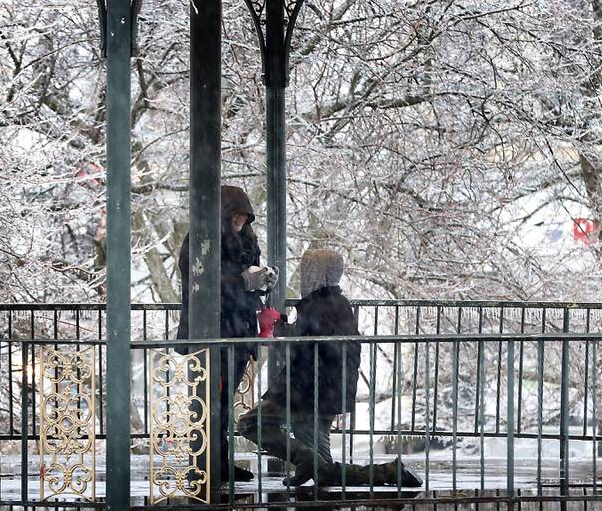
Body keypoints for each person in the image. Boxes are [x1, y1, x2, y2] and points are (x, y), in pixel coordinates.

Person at [238, 249, 421, 487]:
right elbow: (316, 343)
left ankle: (305, 457)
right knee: (323, 470)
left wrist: (276, 329)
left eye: (308, 271)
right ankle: (389, 473)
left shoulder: (319, 305)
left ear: (316, 274)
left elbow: (300, 348)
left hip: (305, 392)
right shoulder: (336, 303)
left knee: (250, 424)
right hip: (326, 393)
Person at [177, 185, 278, 482]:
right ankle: (207, 462)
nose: (242, 219)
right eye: (236, 214)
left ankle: (218, 460)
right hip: (215, 330)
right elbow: (205, 283)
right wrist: (243, 281)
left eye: (245, 215)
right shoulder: (202, 240)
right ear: (224, 213)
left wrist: (263, 281)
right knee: (211, 402)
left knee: (221, 401)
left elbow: (235, 281)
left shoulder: (245, 241)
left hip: (236, 328)